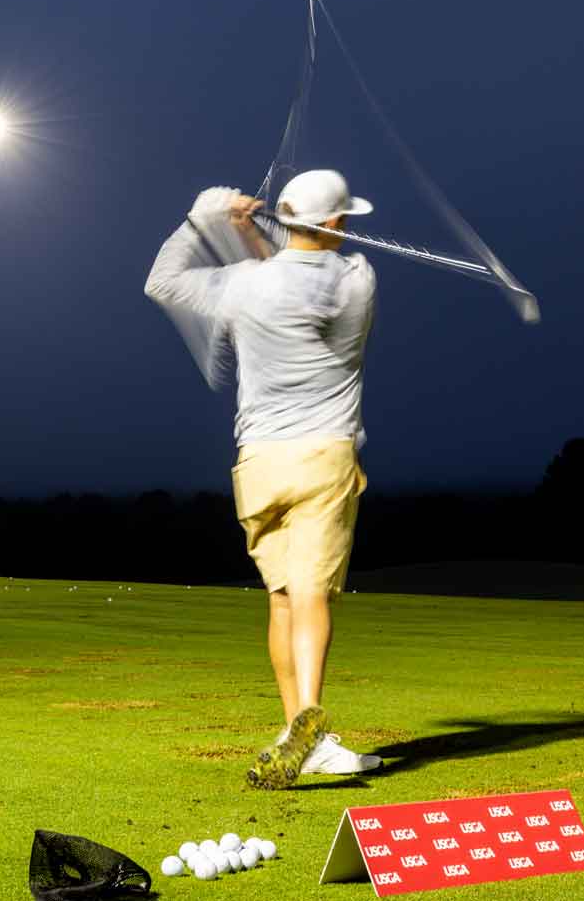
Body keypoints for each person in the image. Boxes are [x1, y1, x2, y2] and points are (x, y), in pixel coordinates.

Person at [144, 169, 382, 789]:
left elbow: (162, 281)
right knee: (313, 595)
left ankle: (292, 730)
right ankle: (313, 729)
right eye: (344, 220)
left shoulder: (246, 286)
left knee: (282, 597)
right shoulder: (358, 279)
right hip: (323, 457)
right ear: (330, 224)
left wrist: (207, 218)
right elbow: (305, 276)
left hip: (259, 462)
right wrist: (260, 232)